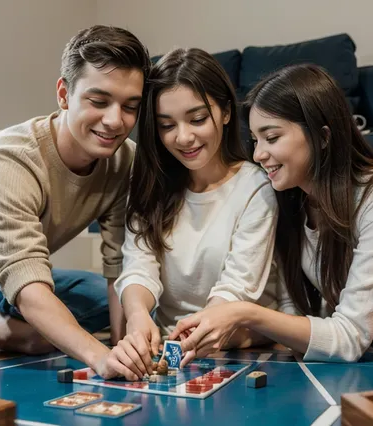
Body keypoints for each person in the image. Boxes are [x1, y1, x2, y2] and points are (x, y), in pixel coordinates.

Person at [170, 63, 373, 366]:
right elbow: (293, 309)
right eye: (255, 141)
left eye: (271, 138)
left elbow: (349, 338)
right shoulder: (288, 197)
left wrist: (244, 312)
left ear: (322, 137)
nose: (258, 155)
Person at [0, 25, 151, 377]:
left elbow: (117, 266)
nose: (115, 121)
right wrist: (99, 358)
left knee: (101, 299)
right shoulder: (7, 161)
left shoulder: (125, 161)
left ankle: (6, 325)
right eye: (99, 101)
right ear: (64, 95)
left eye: (130, 107)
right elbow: (27, 279)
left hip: (3, 273)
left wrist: (120, 346)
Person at [109, 48, 278, 380]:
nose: (183, 137)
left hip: (239, 346)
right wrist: (138, 314)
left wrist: (200, 331)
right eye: (166, 125)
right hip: (172, 349)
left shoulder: (257, 186)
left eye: (198, 119)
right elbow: (138, 266)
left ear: (226, 111)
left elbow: (236, 289)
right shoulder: (149, 184)